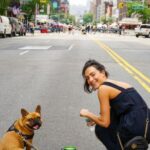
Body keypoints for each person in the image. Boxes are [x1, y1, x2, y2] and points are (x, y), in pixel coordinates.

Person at [80, 59, 150, 150]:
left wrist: (87, 114)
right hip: (146, 123)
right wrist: (95, 119)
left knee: (101, 129)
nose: (90, 80)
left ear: (102, 72)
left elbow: (105, 123)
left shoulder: (103, 89)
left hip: (134, 126)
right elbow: (116, 111)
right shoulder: (118, 84)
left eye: (93, 75)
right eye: (87, 78)